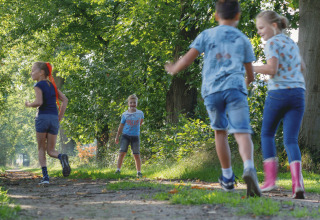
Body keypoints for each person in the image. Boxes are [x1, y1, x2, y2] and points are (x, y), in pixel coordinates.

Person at [165, 0, 261, 197]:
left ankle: (227, 177)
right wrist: (246, 83)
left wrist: (174, 68)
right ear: (237, 16)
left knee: (220, 132)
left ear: (216, 16)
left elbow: (187, 58)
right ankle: (249, 167)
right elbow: (250, 75)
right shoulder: (243, 39)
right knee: (242, 131)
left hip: (212, 90)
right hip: (235, 88)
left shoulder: (206, 35)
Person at [254, 11, 306, 199]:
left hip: (279, 94)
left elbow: (271, 69)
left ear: (274, 26)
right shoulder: (291, 43)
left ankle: (269, 181)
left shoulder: (272, 43)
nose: (259, 32)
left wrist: (250, 67)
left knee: (267, 134)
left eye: (261, 28)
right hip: (298, 93)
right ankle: (297, 184)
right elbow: (302, 67)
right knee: (291, 140)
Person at [25, 62, 70, 185]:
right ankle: (62, 157)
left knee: (41, 148)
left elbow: (39, 102)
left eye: (33, 70)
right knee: (51, 151)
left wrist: (29, 104)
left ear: (41, 72)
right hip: (53, 118)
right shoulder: (53, 86)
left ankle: (45, 178)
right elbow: (65, 100)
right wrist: (59, 116)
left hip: (42, 118)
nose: (31, 73)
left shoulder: (38, 85)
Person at [114, 95, 144, 178]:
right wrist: (117, 136)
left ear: (137, 103)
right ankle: (118, 170)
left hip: (135, 136)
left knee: (136, 154)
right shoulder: (125, 114)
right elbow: (121, 125)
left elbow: (140, 122)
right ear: (128, 103)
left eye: (134, 103)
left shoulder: (140, 113)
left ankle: (139, 172)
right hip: (125, 135)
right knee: (122, 152)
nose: (132, 104)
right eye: (131, 103)